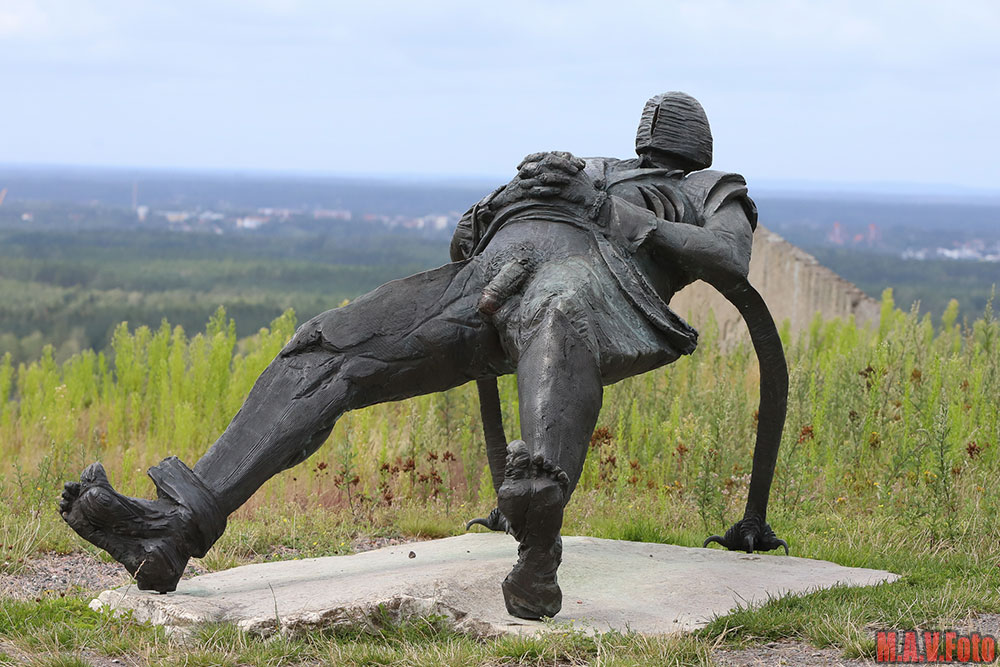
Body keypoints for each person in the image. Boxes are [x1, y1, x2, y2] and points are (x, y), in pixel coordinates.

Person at [61, 92, 787, 621]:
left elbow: (727, 258)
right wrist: (502, 201)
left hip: (600, 286)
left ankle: (538, 534)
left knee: (557, 317)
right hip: (488, 278)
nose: (655, 132)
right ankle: (175, 527)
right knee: (327, 346)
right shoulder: (591, 164)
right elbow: (464, 240)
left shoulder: (711, 189)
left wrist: (603, 210)